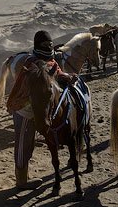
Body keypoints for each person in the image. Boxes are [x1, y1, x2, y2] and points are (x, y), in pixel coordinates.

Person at [6, 30, 77, 190]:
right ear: (38, 46)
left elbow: (54, 73)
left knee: (29, 144)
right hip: (25, 110)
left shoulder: (49, 61)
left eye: (50, 44)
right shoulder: (32, 65)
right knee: (23, 144)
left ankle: (24, 176)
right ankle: (21, 182)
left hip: (37, 111)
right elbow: (45, 77)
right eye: (45, 45)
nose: (49, 47)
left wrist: (66, 75)